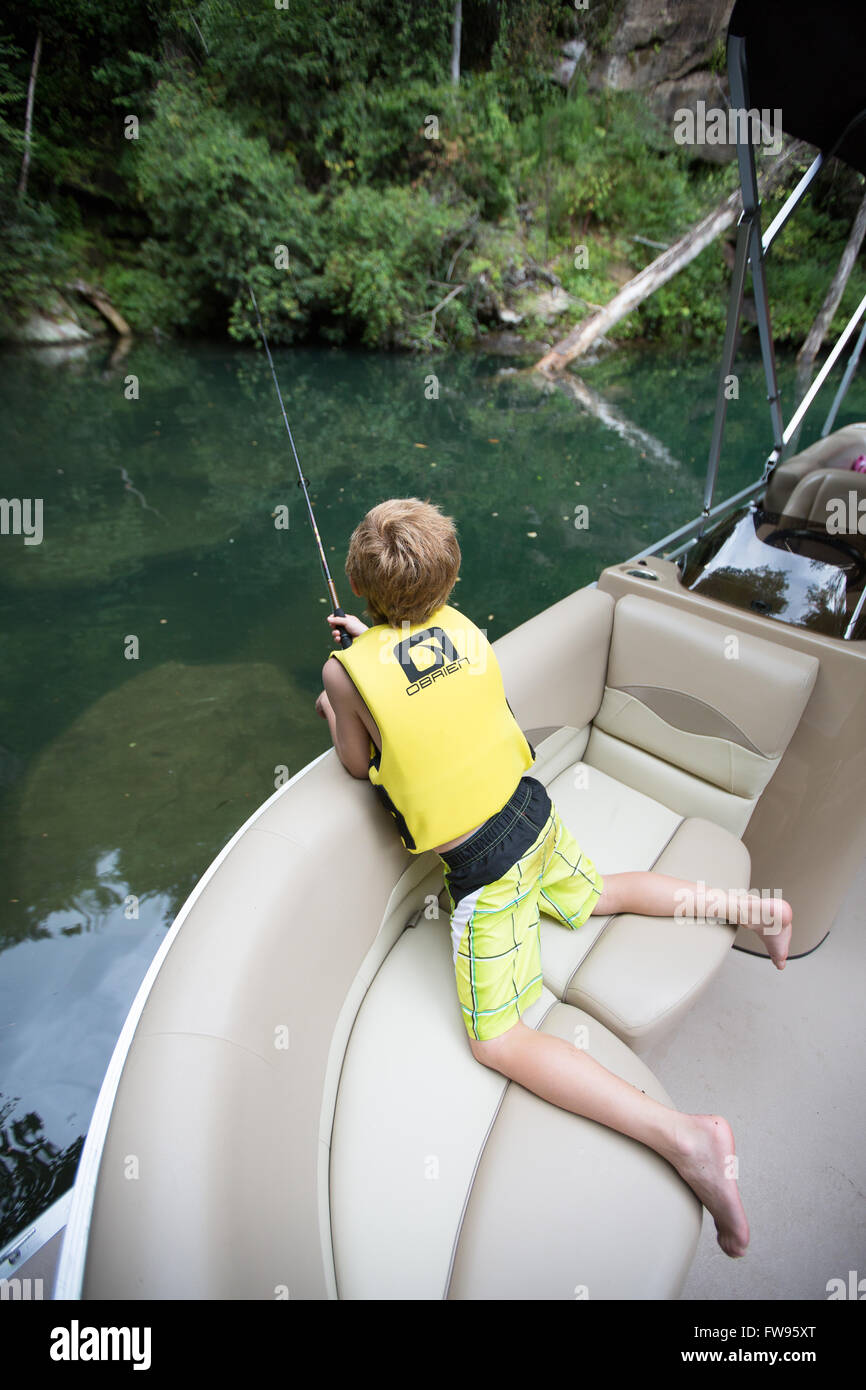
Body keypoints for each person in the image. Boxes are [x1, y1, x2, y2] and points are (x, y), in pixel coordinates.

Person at [315, 497, 793, 1259]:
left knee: (498, 1042)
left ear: (360, 584)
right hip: (533, 814)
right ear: (448, 577)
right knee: (603, 892)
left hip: (488, 869)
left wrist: (339, 687)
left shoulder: (347, 674)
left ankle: (688, 1139)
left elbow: (355, 760)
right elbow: (423, 668)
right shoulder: (463, 628)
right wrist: (380, 643)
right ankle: (752, 908)